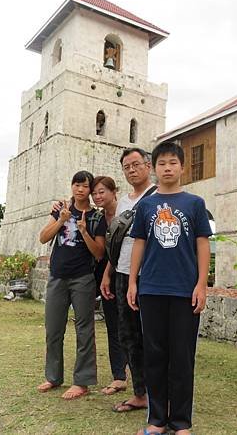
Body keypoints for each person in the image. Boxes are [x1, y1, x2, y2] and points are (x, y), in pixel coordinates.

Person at [128, 141, 212, 435]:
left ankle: (181, 422)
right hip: (151, 289)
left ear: (182, 167)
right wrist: (132, 281)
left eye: (172, 163)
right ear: (154, 168)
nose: (167, 168)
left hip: (184, 291)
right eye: (161, 163)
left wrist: (202, 284)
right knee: (154, 355)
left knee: (182, 357)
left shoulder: (195, 204)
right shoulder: (146, 206)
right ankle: (157, 420)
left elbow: (203, 243)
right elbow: (139, 242)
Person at [37, 171, 107, 400]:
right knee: (53, 329)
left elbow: (98, 253)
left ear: (90, 189)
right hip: (57, 276)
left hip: (83, 278)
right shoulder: (61, 209)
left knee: (84, 330)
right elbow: (43, 237)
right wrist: (61, 220)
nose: (80, 190)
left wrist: (84, 230)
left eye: (85, 186)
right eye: (77, 185)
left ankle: (82, 382)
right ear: (72, 186)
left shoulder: (97, 217)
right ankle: (53, 377)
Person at [100, 147, 155, 413]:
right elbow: (117, 241)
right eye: (126, 167)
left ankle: (160, 394)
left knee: (152, 336)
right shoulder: (123, 201)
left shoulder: (158, 196)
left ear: (148, 165)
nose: (131, 170)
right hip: (122, 273)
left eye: (136, 164)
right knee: (128, 335)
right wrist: (108, 273)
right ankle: (140, 393)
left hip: (150, 276)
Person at [90, 176, 128, 396]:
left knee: (131, 326)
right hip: (105, 279)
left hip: (123, 273)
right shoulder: (98, 218)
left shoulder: (126, 214)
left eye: (102, 191)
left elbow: (123, 250)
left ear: (115, 192)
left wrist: (107, 274)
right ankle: (119, 376)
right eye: (95, 193)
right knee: (113, 326)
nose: (97, 196)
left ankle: (139, 372)